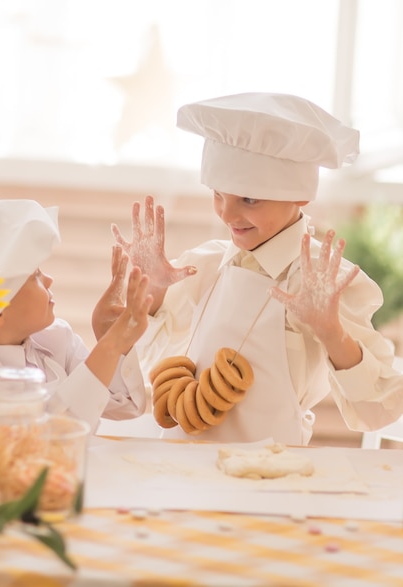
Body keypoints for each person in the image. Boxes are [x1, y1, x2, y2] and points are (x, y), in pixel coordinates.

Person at [100, 92, 403, 445]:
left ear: (300, 195)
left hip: (269, 470)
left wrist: (331, 331)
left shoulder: (321, 280)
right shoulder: (206, 265)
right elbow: (159, 364)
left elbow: (379, 408)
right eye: (218, 195)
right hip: (182, 463)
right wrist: (153, 295)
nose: (227, 215)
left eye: (248, 199)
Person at [0, 199, 152, 431]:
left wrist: (111, 339)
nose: (49, 279)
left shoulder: (56, 339)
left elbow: (125, 405)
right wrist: (110, 346)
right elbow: (51, 436)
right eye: (34, 276)